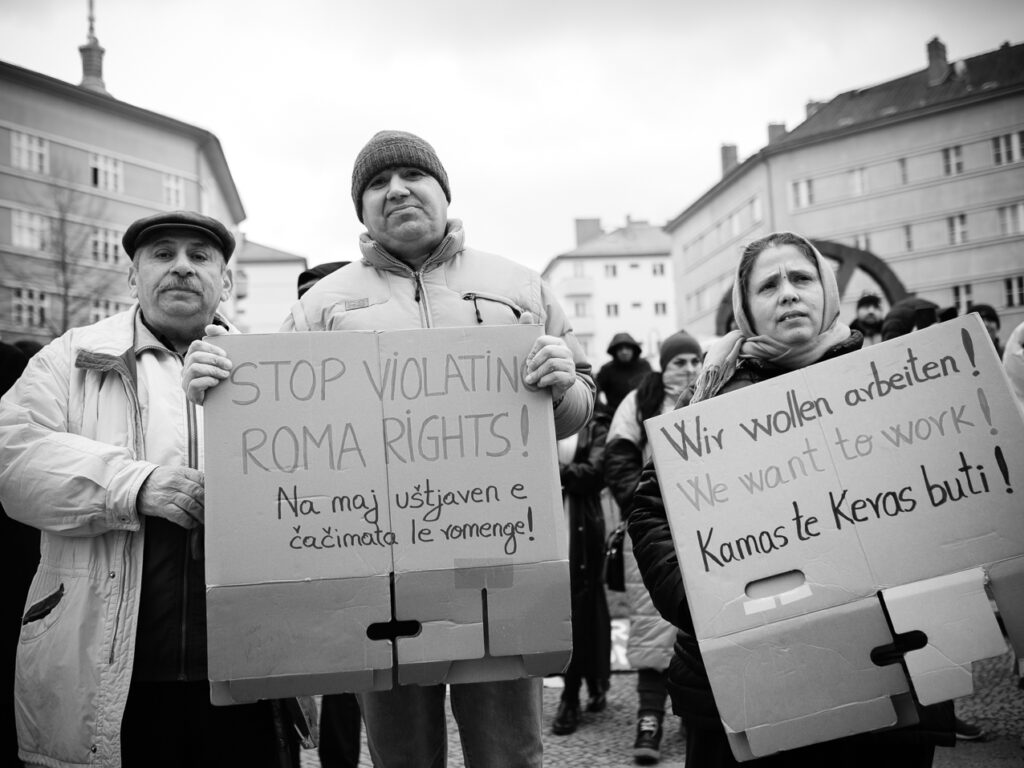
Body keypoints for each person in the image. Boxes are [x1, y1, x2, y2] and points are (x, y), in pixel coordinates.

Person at [183, 130, 596, 768]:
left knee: (509, 750)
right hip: (377, 575)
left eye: (412, 176)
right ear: (362, 208)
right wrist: (217, 389)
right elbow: (280, 428)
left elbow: (573, 418)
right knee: (401, 754)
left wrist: (565, 383)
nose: (397, 190)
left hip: (496, 557)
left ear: (443, 190)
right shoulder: (323, 304)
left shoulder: (521, 287)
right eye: (377, 183)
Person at [627, 232, 955, 767]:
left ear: (826, 289)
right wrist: (702, 602)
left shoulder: (888, 385)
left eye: (801, 278)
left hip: (886, 664)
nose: (788, 293)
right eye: (769, 285)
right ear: (746, 308)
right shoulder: (706, 399)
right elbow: (650, 510)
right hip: (745, 673)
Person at [0, 211, 306, 768]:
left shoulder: (275, 370)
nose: (181, 268)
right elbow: (12, 458)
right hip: (112, 670)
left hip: (243, 671)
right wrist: (134, 483)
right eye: (163, 255)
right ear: (132, 277)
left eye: (199, 256)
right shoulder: (72, 357)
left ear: (227, 282)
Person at [604, 330, 703, 765]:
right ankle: (650, 718)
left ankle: (693, 713)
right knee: (651, 624)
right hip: (653, 534)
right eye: (678, 362)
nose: (688, 369)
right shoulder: (638, 403)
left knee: (701, 623)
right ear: (665, 366)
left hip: (704, 530)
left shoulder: (718, 390)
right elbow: (619, 457)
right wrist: (642, 506)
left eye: (694, 360)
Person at [294, 261, 363, 768]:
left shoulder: (369, 372)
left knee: (351, 665)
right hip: (299, 536)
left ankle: (338, 759)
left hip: (356, 535)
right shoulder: (275, 374)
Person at [550, 404, 612, 736]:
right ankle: (592, 679)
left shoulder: (595, 424)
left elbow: (596, 473)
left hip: (582, 529)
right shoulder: (533, 415)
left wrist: (554, 470)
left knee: (584, 607)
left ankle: (572, 693)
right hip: (546, 527)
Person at [597, 332, 653, 414]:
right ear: (614, 351)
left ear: (634, 350)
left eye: (627, 348)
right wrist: (605, 410)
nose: (624, 352)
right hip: (615, 415)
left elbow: (653, 388)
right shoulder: (607, 370)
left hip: (643, 413)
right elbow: (595, 392)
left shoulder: (644, 366)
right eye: (620, 349)